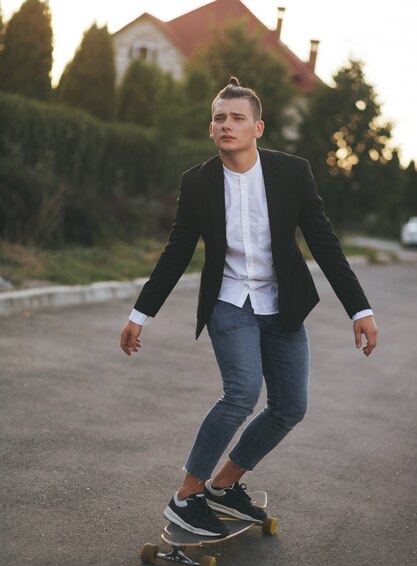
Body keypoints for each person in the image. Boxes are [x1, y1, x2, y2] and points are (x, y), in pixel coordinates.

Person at [120, 77, 377, 538]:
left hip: (282, 305)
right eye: (219, 117)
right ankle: (186, 495)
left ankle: (224, 484)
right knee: (241, 393)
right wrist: (140, 315)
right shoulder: (197, 182)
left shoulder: (292, 173)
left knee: (290, 407)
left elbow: (324, 242)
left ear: (258, 128)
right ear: (211, 127)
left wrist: (359, 310)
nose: (227, 124)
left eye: (237, 118)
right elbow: (177, 252)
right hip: (230, 301)